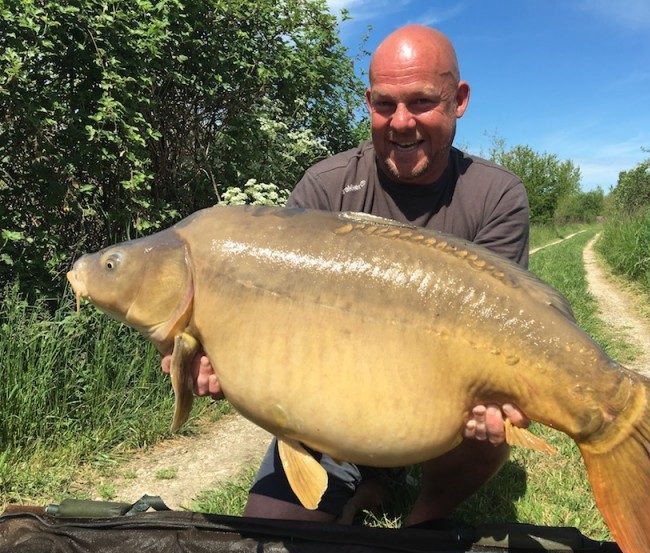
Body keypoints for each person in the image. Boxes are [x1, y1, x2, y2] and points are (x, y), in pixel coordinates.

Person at [162, 24, 532, 525]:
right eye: (385, 105)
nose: (401, 122)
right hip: (333, 399)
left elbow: (509, 326)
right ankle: (369, 479)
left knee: (489, 428)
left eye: (421, 102)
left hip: (439, 402)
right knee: (272, 529)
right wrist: (226, 361)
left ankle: (425, 517)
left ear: (458, 100)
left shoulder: (496, 195)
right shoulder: (324, 187)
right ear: (369, 102)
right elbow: (273, 327)